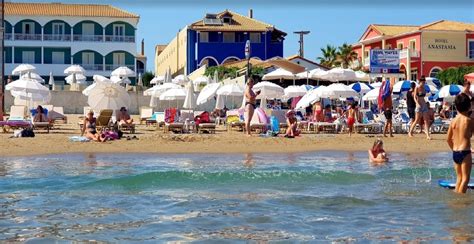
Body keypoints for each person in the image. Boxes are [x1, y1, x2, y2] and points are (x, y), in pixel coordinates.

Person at [446, 93, 473, 194]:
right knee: (465, 179)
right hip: (465, 152)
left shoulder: (453, 121)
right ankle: (460, 201)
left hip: (455, 152)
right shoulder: (469, 121)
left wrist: (454, 149)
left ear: (456, 106)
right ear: (469, 106)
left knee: (459, 178)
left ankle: (456, 197)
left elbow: (448, 139)